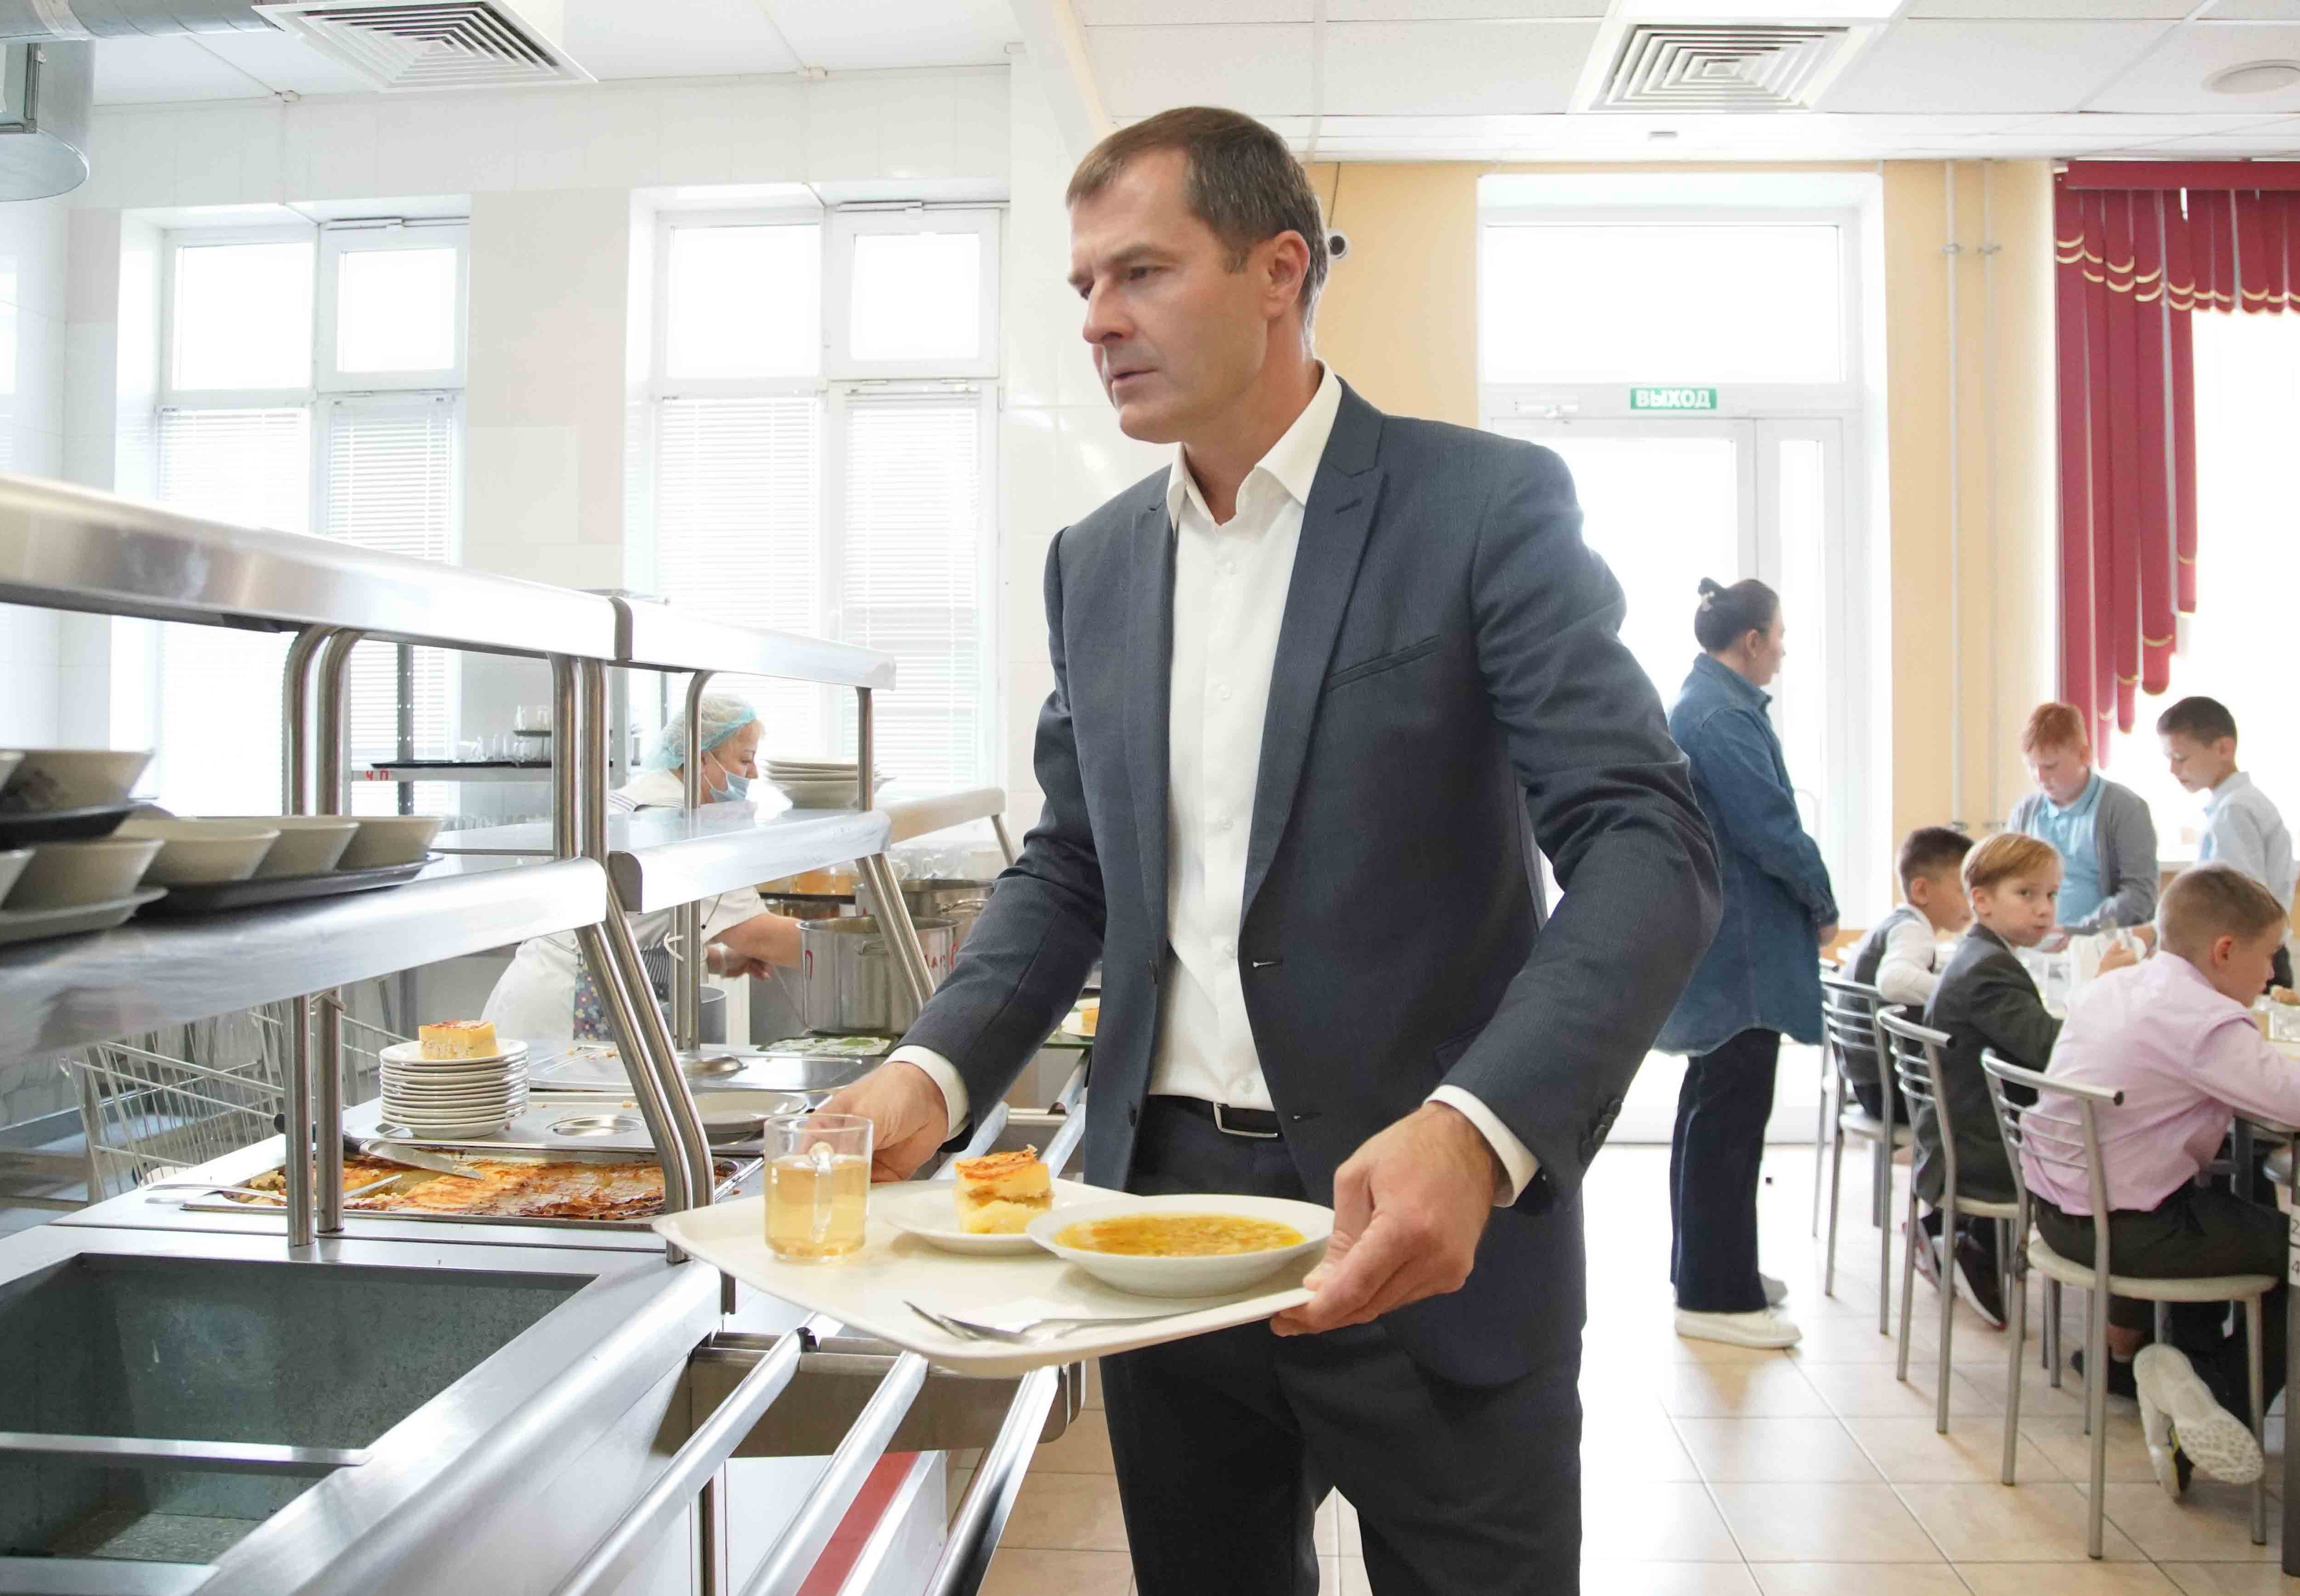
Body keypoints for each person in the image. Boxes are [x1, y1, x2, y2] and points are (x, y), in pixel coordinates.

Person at [823, 106, 1719, 1596]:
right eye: (1084, 285)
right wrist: (929, 1071)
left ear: (1277, 271)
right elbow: (1073, 864)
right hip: (1153, 1221)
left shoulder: (1480, 509)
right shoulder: (1096, 562)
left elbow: (1646, 839)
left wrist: (1477, 1126)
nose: (1098, 320)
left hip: (1419, 1202)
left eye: (1142, 272)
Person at [2026, 863, 2300, 1497]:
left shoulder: (2118, 985)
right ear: (2223, 950)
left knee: (2236, 1198)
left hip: (2060, 1211)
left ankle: (2186, 1372)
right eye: (2268, 955)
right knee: (2290, 1248)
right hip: (2128, 1229)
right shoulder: (2203, 1022)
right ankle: (2217, 1400)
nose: (2271, 975)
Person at [1657, 578, 1838, 1351]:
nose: (1783, 651)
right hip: (1743, 952)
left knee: (1711, 1114)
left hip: (1728, 945)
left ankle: (1710, 1270)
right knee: (1728, 1126)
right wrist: (1822, 901)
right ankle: (1715, 1296)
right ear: (1752, 639)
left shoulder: (1707, 703)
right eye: (1779, 635)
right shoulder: (1720, 715)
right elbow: (1771, 829)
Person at [480, 694, 804, 1041]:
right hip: (566, 1008)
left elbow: (634, 926)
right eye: (745, 760)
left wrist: (718, 960)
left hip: (556, 984)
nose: (754, 773)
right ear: (701, 758)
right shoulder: (678, 824)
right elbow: (763, 937)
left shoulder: (647, 795)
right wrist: (845, 946)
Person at [1915, 832, 2123, 1328]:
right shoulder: (1989, 969)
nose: (2044, 909)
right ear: (1981, 901)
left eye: (2050, 894)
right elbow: (2054, 1055)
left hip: (1962, 1131)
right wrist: (2101, 989)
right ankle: (2133, 1322)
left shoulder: (1981, 954)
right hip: (1982, 1149)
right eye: (2026, 893)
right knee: (2135, 1159)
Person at [2157, 694, 2295, 991]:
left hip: (2247, 958)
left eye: (2180, 758)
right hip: (2256, 952)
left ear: (2224, 748)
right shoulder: (2239, 804)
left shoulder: (2234, 811)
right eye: (2168, 759)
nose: (2173, 770)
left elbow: (2240, 906)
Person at [1837, 825, 1975, 1117]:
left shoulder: (1895, 924)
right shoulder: (1912, 930)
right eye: (1964, 891)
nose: (1974, 902)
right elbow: (1894, 981)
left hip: (1871, 1085)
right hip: (1898, 1092)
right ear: (1922, 890)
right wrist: (1964, 992)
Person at [2010, 701, 2159, 937]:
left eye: (2050, 766)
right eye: (2031, 766)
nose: (2040, 777)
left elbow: (2140, 895)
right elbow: (2008, 884)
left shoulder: (2126, 809)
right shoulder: (2025, 812)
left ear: (2084, 756)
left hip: (2103, 942)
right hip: (2037, 942)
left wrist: (2077, 931)